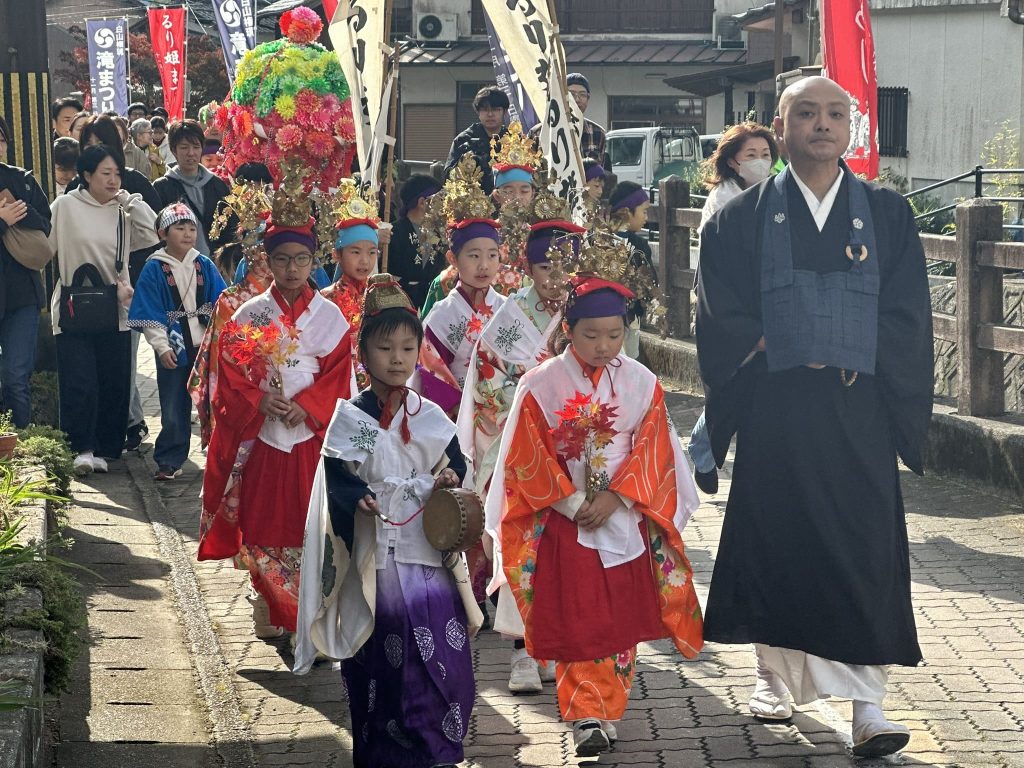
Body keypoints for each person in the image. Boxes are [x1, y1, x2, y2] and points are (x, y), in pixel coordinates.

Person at [695, 76, 934, 758]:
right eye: (807, 113)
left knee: (864, 549)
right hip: (779, 406)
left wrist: (836, 335)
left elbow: (907, 313)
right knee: (779, 543)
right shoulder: (738, 219)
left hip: (857, 406)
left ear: (852, 127)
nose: (822, 125)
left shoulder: (888, 214)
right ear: (780, 124)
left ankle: (868, 706)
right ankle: (773, 679)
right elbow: (722, 310)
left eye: (835, 113)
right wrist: (774, 336)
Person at [487, 271, 704, 757]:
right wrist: (571, 501)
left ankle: (607, 709)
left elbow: (653, 448)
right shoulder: (542, 383)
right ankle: (585, 713)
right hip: (567, 518)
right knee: (576, 614)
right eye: (591, 334)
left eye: (614, 334)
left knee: (618, 619)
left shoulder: (642, 380)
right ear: (568, 329)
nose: (604, 345)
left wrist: (620, 497)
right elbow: (528, 454)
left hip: (621, 515)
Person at [295, 273, 476, 768]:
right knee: (384, 667)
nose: (397, 358)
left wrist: (449, 477)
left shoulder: (432, 414)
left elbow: (454, 464)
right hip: (377, 562)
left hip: (428, 557)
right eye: (385, 347)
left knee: (447, 660)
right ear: (364, 355)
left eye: (407, 347)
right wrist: (357, 500)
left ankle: (438, 749)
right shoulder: (352, 420)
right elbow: (340, 479)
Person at [198, 208, 353, 638]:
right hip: (265, 433)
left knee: (312, 522)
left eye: (301, 260)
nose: (292, 268)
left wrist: (311, 407)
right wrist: (260, 400)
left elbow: (341, 375)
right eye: (282, 259)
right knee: (263, 519)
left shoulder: (330, 316)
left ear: (314, 261)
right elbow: (229, 374)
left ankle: (312, 615)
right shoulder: (250, 313)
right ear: (267, 260)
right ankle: (268, 599)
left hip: (308, 435)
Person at [458, 218, 582, 694]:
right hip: (520, 449)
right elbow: (489, 387)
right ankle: (521, 653)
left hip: (571, 451)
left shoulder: (583, 311)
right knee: (522, 549)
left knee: (564, 555)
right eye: (544, 265)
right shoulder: (510, 318)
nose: (554, 276)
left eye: (563, 265)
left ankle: (553, 644)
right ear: (527, 268)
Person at [47, 145, 159, 475]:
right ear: (86, 175)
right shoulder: (65, 206)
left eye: (117, 174)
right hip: (73, 308)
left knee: (113, 382)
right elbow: (44, 246)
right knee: (80, 382)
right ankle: (81, 447)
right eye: (105, 174)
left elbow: (154, 233)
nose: (112, 180)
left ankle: (107, 448)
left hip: (115, 309)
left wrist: (131, 201)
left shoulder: (122, 209)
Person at [687, 122, 779, 495]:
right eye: (751, 155)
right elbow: (720, 265)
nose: (760, 162)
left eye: (766, 155)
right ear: (732, 162)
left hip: (767, 304)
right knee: (728, 387)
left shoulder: (778, 193)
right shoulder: (723, 202)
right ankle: (702, 451)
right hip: (727, 306)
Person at [73, 114, 163, 452]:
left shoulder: (136, 183)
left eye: (103, 145)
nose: (97, 153)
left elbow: (157, 235)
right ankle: (120, 424)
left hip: (132, 285)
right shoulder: (74, 193)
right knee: (101, 364)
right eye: (90, 146)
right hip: (88, 291)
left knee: (124, 360)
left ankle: (128, 425)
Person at [128, 203, 226, 480]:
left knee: (212, 401)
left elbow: (222, 301)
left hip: (204, 347)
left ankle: (220, 453)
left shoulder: (203, 264)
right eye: (179, 228)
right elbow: (149, 311)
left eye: (192, 228)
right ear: (163, 233)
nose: (187, 234)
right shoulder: (154, 269)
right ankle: (170, 459)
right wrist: (160, 347)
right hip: (174, 347)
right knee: (172, 405)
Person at [412, 156, 504, 417]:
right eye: (474, 256)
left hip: (499, 411)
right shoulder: (442, 314)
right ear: (453, 259)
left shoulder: (506, 308)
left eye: (492, 255)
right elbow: (428, 368)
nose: (484, 265)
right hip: (456, 411)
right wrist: (456, 407)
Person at [0, 116, 53, 428]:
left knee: (15, 376)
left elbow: (45, 224)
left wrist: (16, 210)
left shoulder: (23, 179)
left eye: (2, 138)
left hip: (22, 294)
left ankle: (21, 448)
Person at [321, 181, 380, 391]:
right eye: (356, 252)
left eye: (372, 252)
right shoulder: (325, 300)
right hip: (337, 384)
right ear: (337, 254)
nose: (365, 261)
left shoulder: (382, 294)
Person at [153, 119, 233, 261]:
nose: (191, 153)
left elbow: (229, 228)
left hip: (212, 266)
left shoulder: (217, 185)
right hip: (176, 265)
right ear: (173, 150)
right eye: (184, 147)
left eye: (196, 147)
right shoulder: (162, 187)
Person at [608, 181, 658, 358]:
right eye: (643, 212)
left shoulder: (598, 238)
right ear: (627, 212)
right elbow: (650, 284)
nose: (646, 217)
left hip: (615, 316)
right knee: (629, 359)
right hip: (624, 316)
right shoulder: (638, 245)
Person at [528, 73, 609, 169]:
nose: (577, 99)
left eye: (582, 95)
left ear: (588, 98)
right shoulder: (538, 133)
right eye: (571, 94)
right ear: (561, 97)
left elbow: (600, 176)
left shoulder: (598, 133)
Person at [386, 174, 443, 310]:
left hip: (431, 302)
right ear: (422, 202)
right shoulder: (394, 232)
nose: (443, 205)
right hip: (400, 302)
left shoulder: (439, 234)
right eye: (439, 199)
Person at [444, 86, 508, 194]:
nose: (490, 114)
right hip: (472, 201)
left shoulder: (513, 139)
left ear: (505, 112)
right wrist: (466, 164)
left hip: (507, 201)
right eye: (485, 110)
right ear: (478, 112)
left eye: (495, 109)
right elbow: (447, 176)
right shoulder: (464, 140)